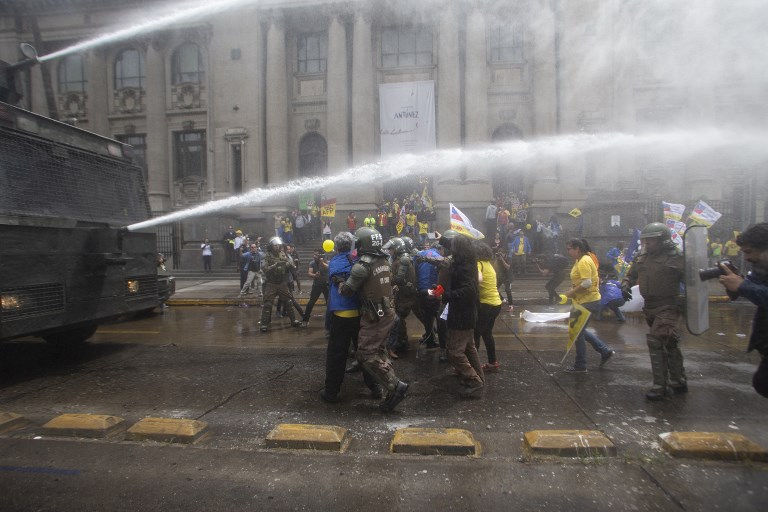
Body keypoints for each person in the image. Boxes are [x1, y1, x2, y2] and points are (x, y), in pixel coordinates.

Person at [337, 227, 409, 412]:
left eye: (358, 242)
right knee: (380, 351)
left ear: (363, 243)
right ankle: (390, 388)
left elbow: (347, 291)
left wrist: (339, 282)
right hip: (387, 313)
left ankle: (395, 386)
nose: (356, 245)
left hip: (374, 316)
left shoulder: (363, 265)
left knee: (366, 355)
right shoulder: (384, 259)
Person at [621, 222, 684, 400]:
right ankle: (679, 380)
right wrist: (625, 284)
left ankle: (659, 386)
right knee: (670, 342)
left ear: (663, 240)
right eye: (645, 241)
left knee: (656, 340)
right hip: (650, 306)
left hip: (668, 305)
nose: (647, 244)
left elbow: (693, 281)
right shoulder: (643, 256)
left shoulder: (676, 258)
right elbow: (631, 274)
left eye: (651, 241)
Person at [321, 232, 383, 403]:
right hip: (360, 315)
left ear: (336, 245)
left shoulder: (334, 262)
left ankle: (331, 392)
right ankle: (376, 387)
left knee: (336, 355)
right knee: (364, 353)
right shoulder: (359, 262)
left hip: (340, 315)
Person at [717, 223, 768, 398]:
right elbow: (757, 289)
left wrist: (743, 285)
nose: (746, 258)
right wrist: (736, 286)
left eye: (749, 252)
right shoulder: (762, 268)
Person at [436, 234, 484, 398]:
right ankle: (479, 378)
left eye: (453, 247)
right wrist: (442, 239)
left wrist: (446, 295)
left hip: (462, 314)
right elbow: (457, 244)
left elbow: (469, 291)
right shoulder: (468, 259)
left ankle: (474, 380)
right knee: (469, 348)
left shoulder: (463, 268)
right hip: (467, 313)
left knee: (455, 352)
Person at [563, 238, 616, 372]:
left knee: (578, 333)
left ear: (577, 249)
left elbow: (586, 283)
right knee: (579, 330)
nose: (568, 251)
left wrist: (570, 293)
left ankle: (580, 365)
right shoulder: (580, 260)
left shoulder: (584, 261)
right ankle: (605, 351)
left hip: (588, 301)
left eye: (569, 249)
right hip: (582, 300)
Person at [259, 237, 302, 332]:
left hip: (282, 282)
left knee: (289, 301)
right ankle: (264, 324)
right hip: (271, 283)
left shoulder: (282, 254)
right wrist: (274, 266)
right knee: (268, 304)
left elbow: (289, 263)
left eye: (278, 245)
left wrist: (289, 265)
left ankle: (293, 320)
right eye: (275, 245)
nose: (277, 246)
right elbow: (264, 268)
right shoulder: (267, 256)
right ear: (271, 246)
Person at [387, 237, 420, 357]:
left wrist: (387, 279)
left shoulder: (403, 260)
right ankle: (402, 342)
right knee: (399, 320)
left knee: (397, 320)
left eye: (391, 249)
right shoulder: (400, 259)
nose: (389, 251)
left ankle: (396, 345)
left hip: (405, 295)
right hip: (404, 294)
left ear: (397, 249)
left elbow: (399, 279)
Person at [474, 241, 502, 372]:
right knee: (487, 333)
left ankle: (473, 365)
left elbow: (479, 279)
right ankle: (493, 362)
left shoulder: (478, 264)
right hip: (496, 304)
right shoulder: (489, 265)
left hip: (485, 304)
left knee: (476, 334)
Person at [301, 248, 329, 327]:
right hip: (317, 285)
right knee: (311, 302)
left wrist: (322, 262)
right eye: (314, 254)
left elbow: (329, 268)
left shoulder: (326, 261)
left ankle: (331, 321)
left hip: (326, 285)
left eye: (316, 254)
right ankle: (305, 320)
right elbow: (309, 273)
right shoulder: (312, 263)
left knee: (329, 303)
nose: (314, 256)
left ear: (320, 255)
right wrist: (314, 275)